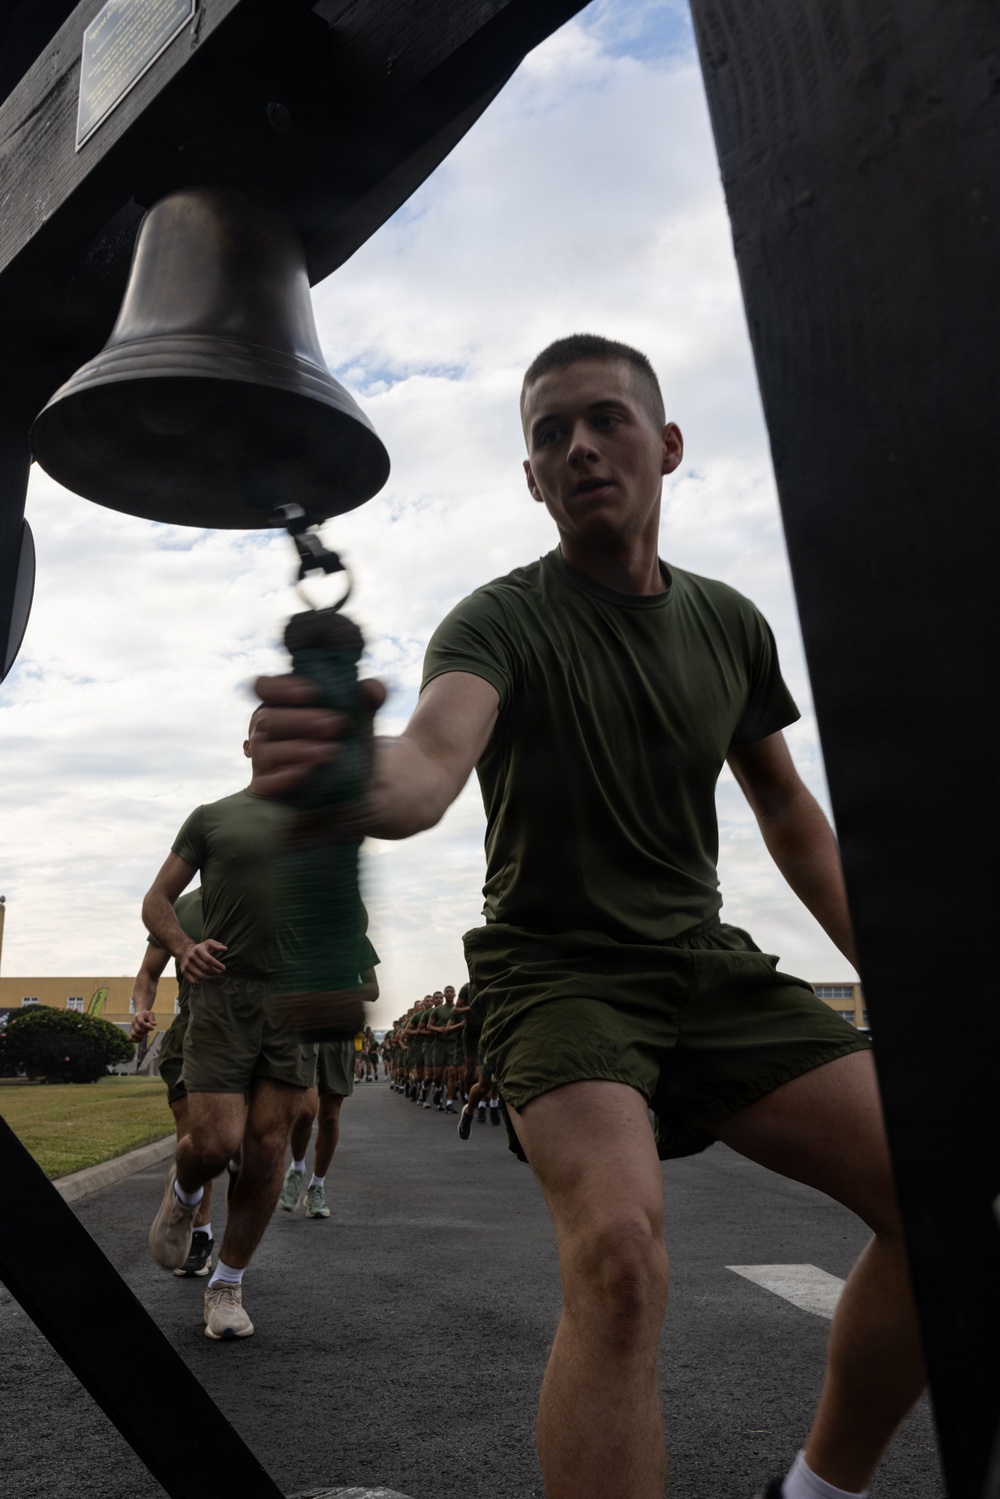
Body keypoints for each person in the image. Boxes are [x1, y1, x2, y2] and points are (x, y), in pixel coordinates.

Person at [251, 334, 924, 1499]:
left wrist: (902, 982)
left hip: (706, 965)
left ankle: (818, 1490)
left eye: (605, 420)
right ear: (529, 478)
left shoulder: (727, 622)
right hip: (555, 975)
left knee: (952, 1201)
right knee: (618, 1254)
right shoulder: (497, 620)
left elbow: (790, 815)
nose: (577, 447)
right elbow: (425, 765)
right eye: (549, 434)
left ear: (665, 445)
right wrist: (347, 776)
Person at [141, 707, 318, 1342]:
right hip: (221, 998)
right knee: (215, 1144)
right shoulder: (212, 818)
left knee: (267, 1147)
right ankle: (186, 1194)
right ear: (249, 745)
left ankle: (226, 1285)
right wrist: (183, 947)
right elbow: (156, 900)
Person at [129, 887, 216, 1276]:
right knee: (199, 1136)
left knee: (248, 1147)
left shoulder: (271, 895)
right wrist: (142, 1009)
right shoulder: (183, 907)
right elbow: (149, 971)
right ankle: (201, 1232)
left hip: (255, 1032)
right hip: (191, 1031)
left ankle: (185, 1189)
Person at [279, 925, 380, 1218]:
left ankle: (317, 1187)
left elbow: (372, 990)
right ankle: (297, 1168)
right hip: (305, 1031)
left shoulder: (358, 942)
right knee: (305, 1112)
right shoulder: (301, 934)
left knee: (330, 1118)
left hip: (340, 1032)